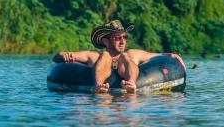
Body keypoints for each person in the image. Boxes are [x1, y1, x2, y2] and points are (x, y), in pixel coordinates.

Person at [53, 20, 185, 93]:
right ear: (105, 41)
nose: (123, 41)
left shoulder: (132, 54)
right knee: (105, 56)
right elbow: (58, 57)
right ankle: (98, 85)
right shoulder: (94, 56)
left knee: (126, 56)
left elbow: (156, 57)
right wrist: (64, 56)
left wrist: (171, 55)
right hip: (101, 90)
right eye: (118, 38)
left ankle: (131, 84)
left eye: (124, 37)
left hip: (129, 86)